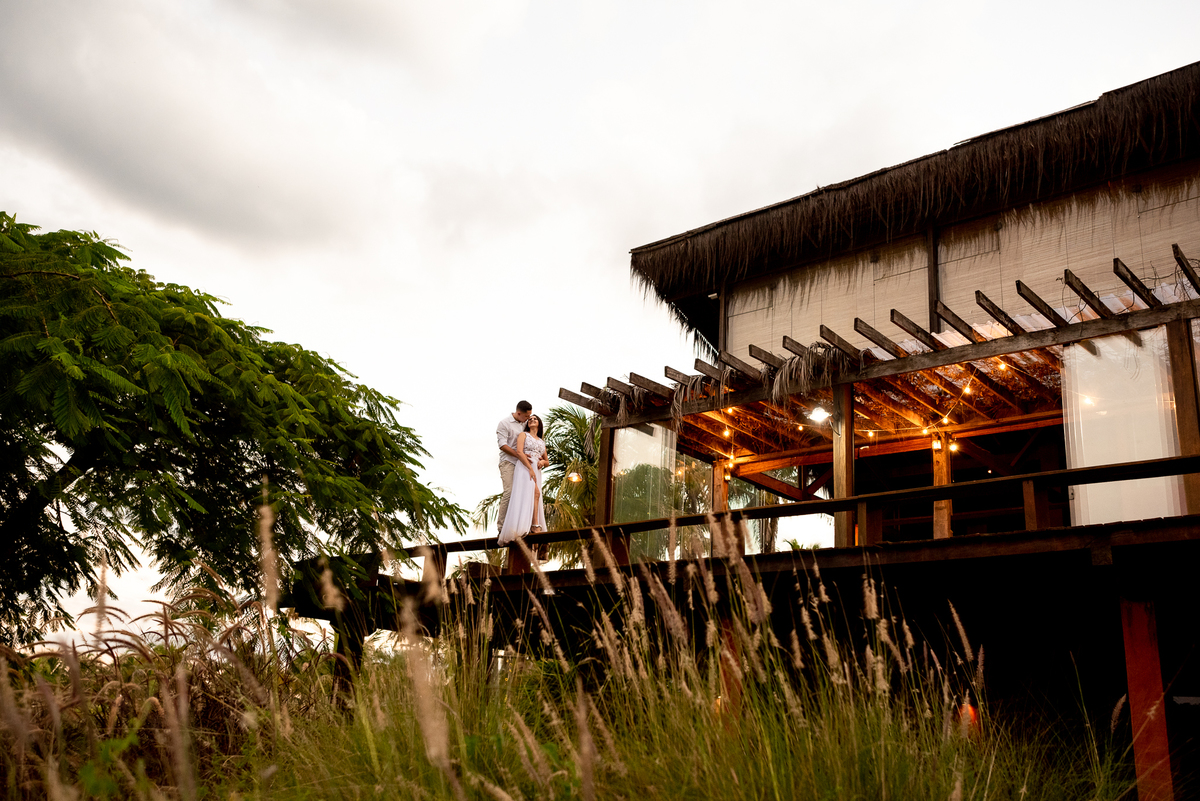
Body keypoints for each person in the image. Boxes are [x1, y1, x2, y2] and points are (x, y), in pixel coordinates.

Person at [498, 414, 548, 545]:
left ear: (539, 423)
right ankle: (533, 525)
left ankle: (533, 524)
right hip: (525, 467)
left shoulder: (541, 441)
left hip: (536, 469)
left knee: (535, 494)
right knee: (535, 493)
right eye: (530, 419)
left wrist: (542, 463)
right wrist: (530, 468)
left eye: (535, 419)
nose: (532, 420)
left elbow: (547, 461)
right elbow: (519, 452)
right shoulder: (523, 435)